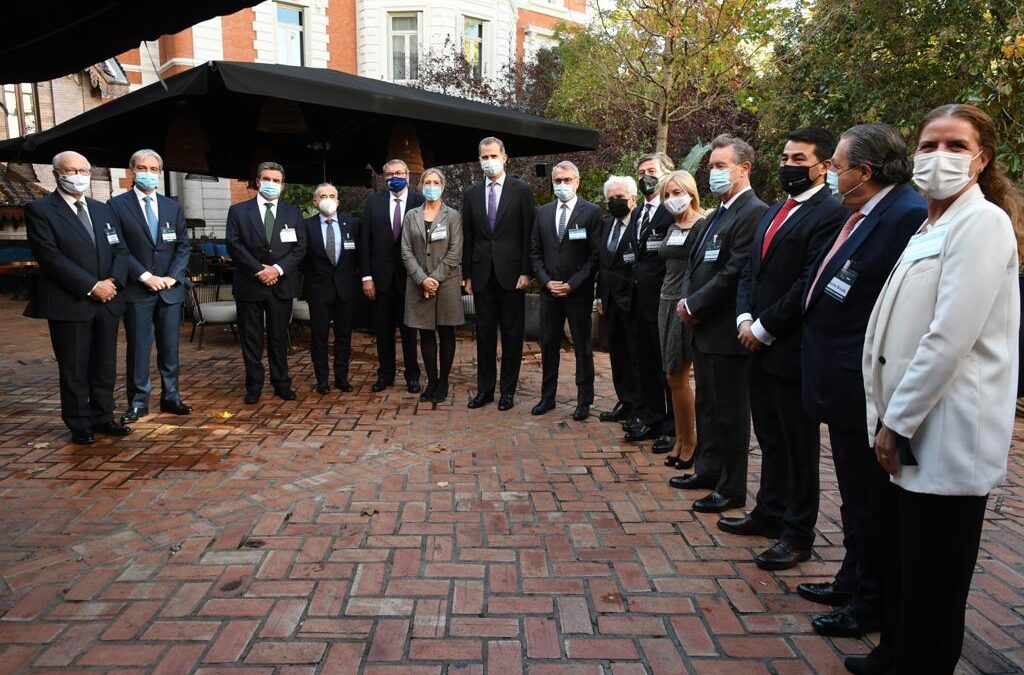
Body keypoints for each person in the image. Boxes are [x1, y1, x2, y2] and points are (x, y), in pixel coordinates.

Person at [850, 104, 1022, 675]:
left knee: (934, 578)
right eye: (928, 145)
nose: (938, 157)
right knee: (902, 561)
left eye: (955, 145)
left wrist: (896, 422)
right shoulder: (931, 224)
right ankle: (893, 653)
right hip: (904, 424)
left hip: (942, 429)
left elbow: (948, 336)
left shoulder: (983, 222)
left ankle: (918, 662)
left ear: (982, 159)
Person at [797, 123, 926, 640]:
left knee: (870, 500)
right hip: (839, 377)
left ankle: (869, 601)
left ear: (864, 172)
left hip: (863, 383)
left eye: (837, 165)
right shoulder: (864, 212)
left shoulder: (905, 215)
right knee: (853, 493)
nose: (831, 174)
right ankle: (853, 577)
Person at [721, 127, 846, 569]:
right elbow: (751, 272)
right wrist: (743, 319)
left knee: (798, 447)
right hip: (755, 341)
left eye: (799, 159)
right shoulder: (777, 210)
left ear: (824, 166)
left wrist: (766, 327)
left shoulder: (830, 214)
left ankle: (798, 532)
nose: (789, 166)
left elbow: (808, 282)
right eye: (786, 158)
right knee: (770, 438)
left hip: (789, 347)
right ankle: (768, 511)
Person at [672, 135, 768, 513]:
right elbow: (697, 264)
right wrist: (687, 299)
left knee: (730, 414)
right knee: (709, 407)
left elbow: (734, 272)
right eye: (710, 166)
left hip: (727, 331)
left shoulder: (753, 211)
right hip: (704, 329)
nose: (713, 172)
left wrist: (694, 303)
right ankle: (708, 470)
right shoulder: (721, 211)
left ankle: (731, 488)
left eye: (719, 166)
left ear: (743, 169)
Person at [24, 150, 130, 444]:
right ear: (57, 174)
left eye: (84, 170)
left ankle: (103, 416)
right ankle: (79, 422)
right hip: (70, 302)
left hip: (108, 300)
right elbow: (51, 258)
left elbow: (120, 249)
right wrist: (91, 285)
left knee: (104, 364)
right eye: (72, 171)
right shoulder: (40, 209)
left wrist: (112, 281)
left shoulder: (102, 209)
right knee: (73, 366)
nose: (79, 176)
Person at [108, 149, 191, 423]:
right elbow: (117, 247)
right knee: (139, 349)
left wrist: (172, 277)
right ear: (132, 171)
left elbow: (182, 246)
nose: (149, 173)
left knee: (170, 349)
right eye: (142, 168)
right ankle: (138, 402)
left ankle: (171, 397)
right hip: (137, 290)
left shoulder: (172, 207)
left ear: (160, 172)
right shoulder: (116, 205)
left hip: (169, 291)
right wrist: (145, 276)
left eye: (154, 169)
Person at [462, 136, 536, 411]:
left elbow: (529, 233)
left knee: (512, 335)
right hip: (481, 274)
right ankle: (485, 390)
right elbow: (468, 237)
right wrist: (466, 274)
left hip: (512, 274)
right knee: (483, 335)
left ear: (505, 157)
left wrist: (526, 271)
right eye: (484, 157)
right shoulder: (470, 194)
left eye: (493, 156)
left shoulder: (521, 190)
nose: (489, 161)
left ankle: (508, 390)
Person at [225, 161, 307, 404]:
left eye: (276, 180)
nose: (271, 184)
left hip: (280, 285)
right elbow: (233, 244)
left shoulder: (293, 213)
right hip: (250, 284)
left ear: (282, 185)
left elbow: (300, 247)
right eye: (267, 179)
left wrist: (277, 270)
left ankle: (281, 382)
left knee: (279, 337)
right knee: (251, 339)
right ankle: (254, 386)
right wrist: (259, 269)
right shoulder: (238, 211)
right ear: (258, 181)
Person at [529, 161, 601, 420]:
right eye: (558, 181)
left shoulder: (591, 212)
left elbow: (594, 257)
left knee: (582, 346)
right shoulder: (542, 213)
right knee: (548, 344)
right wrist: (546, 281)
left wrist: (573, 283)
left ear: (577, 182)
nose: (562, 185)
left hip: (577, 293)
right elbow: (535, 252)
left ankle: (584, 400)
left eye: (567, 180)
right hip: (549, 292)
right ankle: (547, 397)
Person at [400, 168, 464, 404]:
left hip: (446, 283)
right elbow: (405, 251)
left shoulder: (453, 216)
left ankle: (444, 382)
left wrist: (434, 279)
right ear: (420, 186)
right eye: (427, 182)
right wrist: (421, 279)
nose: (431, 185)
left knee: (446, 333)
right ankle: (432, 381)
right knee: (425, 334)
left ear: (443, 186)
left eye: (436, 182)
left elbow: (455, 251)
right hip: (418, 284)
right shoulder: (411, 216)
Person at [623, 152, 674, 445]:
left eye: (651, 171)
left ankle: (672, 427)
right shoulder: (639, 212)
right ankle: (651, 418)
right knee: (644, 363)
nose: (646, 177)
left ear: (666, 172)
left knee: (665, 365)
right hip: (637, 301)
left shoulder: (670, 210)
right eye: (641, 172)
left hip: (661, 300)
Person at [360, 159, 423, 394]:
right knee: (383, 329)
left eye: (398, 173)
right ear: (383, 178)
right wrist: (366, 276)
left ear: (407, 176)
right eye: (389, 174)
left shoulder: (419, 201)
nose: (393, 177)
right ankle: (385, 374)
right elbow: (365, 241)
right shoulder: (374, 203)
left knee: (409, 330)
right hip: (381, 279)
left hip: (410, 278)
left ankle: (412, 375)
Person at [654, 171, 702, 467]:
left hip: (684, 304)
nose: (672, 199)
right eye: (667, 195)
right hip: (664, 301)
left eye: (677, 192)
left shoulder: (703, 225)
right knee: (671, 376)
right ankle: (681, 437)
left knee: (678, 374)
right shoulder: (672, 227)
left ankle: (692, 441)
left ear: (690, 191)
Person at [303, 183, 360, 394]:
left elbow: (358, 256)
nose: (328, 199)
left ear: (338, 200)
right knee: (319, 336)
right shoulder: (306, 226)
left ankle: (341, 378)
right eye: (323, 196)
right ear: (315, 201)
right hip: (318, 290)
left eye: (332, 195)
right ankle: (322, 380)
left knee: (344, 336)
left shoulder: (352, 224)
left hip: (345, 289)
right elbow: (302, 259)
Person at [596, 176, 642, 424]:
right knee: (618, 354)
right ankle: (624, 400)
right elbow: (602, 265)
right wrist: (599, 297)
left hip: (633, 300)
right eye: (611, 198)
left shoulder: (639, 225)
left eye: (620, 198)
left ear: (633, 199)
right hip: (610, 300)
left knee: (635, 354)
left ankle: (638, 406)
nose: (615, 202)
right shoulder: (606, 226)